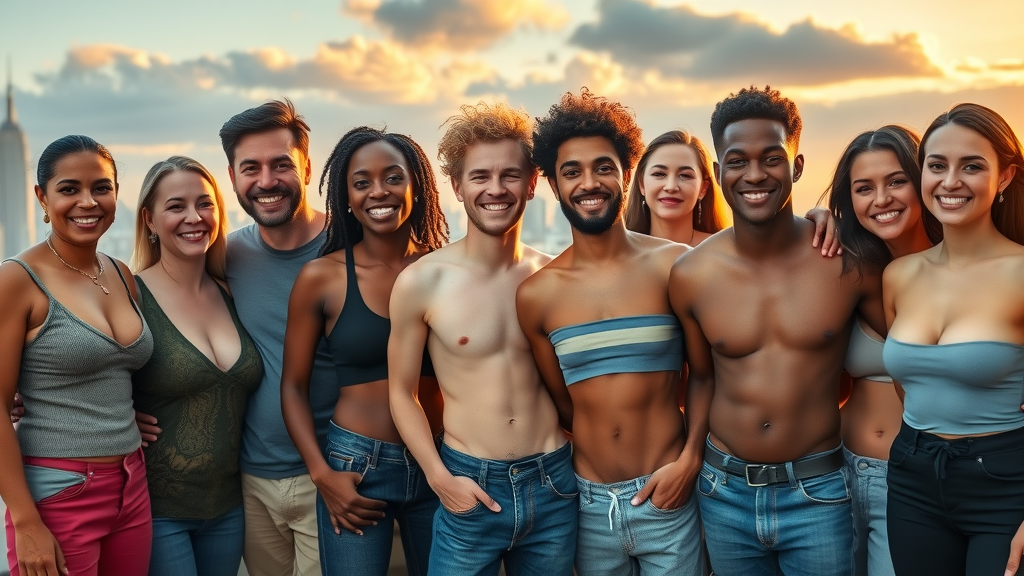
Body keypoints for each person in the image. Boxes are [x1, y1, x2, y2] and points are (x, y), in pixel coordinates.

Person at [668, 86, 886, 576]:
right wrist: (688, 459)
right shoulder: (691, 275)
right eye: (737, 161)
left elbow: (901, 351)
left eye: (772, 158)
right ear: (718, 173)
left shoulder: (848, 264)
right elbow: (700, 379)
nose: (755, 175)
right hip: (723, 492)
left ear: (798, 165)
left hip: (820, 490)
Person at [517, 89, 704, 576]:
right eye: (571, 172)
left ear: (628, 173)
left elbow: (706, 376)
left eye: (603, 166)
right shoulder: (537, 295)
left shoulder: (673, 266)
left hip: (670, 497)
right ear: (555, 187)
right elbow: (564, 405)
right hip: (585, 507)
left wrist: (688, 462)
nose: (588, 182)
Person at [389, 101, 576, 576]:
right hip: (468, 483)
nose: (496, 189)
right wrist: (439, 477)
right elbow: (401, 393)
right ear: (456, 185)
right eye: (480, 177)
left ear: (533, 183)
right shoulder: (422, 281)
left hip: (554, 482)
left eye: (511, 175)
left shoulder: (553, 276)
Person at [281, 126, 448, 576]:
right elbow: (293, 387)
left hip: (442, 463)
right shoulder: (322, 277)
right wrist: (321, 474)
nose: (379, 192)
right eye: (361, 182)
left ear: (416, 185)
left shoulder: (445, 270)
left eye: (393, 177)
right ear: (346, 195)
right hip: (357, 466)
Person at [881, 103, 1024, 576]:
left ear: (1004, 178)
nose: (950, 181)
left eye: (972, 166)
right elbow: (908, 387)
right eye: (937, 165)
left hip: (1007, 483)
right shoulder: (899, 276)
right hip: (912, 475)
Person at [0, 135, 154, 576]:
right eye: (69, 189)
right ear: (42, 198)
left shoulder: (121, 273)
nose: (88, 202)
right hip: (57, 492)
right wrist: (25, 520)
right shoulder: (17, 279)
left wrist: (127, 413)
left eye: (101, 188)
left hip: (132, 483)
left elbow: (112, 371)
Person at [130, 156, 264, 576]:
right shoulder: (129, 295)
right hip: (159, 510)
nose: (194, 217)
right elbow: (79, 363)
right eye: (176, 206)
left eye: (204, 204)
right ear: (149, 220)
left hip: (229, 507)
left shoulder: (232, 290)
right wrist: (116, 416)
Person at [219, 99, 335, 576]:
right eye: (251, 168)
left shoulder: (352, 248)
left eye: (281, 164)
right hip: (249, 482)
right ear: (232, 178)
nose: (266, 181)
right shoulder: (225, 256)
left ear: (306, 167)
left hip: (332, 478)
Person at [824, 126, 939, 576]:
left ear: (922, 179)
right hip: (836, 473)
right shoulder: (850, 268)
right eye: (863, 188)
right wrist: (817, 218)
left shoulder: (959, 269)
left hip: (911, 481)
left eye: (896, 181)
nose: (881, 199)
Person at [624, 130, 731, 245]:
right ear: (641, 183)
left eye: (685, 175)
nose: (671, 187)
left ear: (703, 188)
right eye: (659, 174)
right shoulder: (618, 253)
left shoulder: (724, 251)